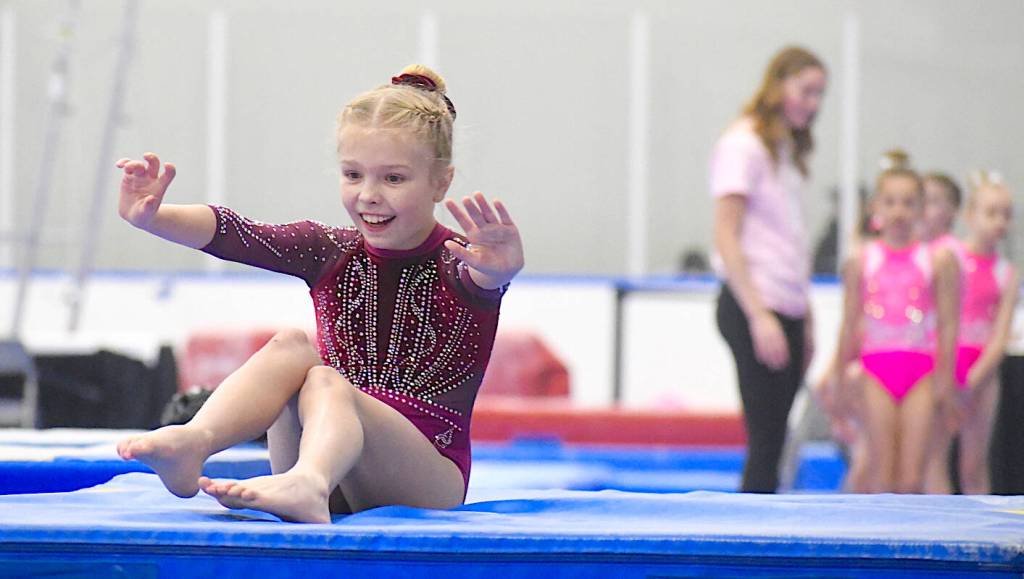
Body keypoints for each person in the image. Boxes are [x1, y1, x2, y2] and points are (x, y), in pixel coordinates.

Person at [113, 65, 525, 523]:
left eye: (393, 179)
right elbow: (237, 233)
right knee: (290, 346)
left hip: (425, 478)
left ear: (440, 182)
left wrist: (500, 270)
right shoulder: (331, 251)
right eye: (353, 175)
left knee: (326, 380)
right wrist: (151, 217)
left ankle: (308, 482)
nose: (368, 195)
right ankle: (197, 439)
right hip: (329, 463)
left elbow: (484, 283)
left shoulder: (458, 262)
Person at [711, 46, 827, 493]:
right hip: (753, 304)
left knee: (777, 441)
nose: (813, 104)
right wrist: (760, 316)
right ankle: (751, 548)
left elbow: (792, 243)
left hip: (787, 303)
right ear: (778, 86)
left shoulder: (785, 150)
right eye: (806, 91)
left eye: (820, 94)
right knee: (766, 440)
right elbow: (726, 235)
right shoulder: (743, 145)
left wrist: (807, 317)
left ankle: (765, 522)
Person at [828, 155, 959, 493]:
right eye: (891, 202)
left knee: (913, 473)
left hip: (921, 371)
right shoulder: (861, 260)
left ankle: (911, 544)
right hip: (876, 370)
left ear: (920, 209)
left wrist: (946, 379)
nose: (899, 211)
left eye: (909, 203)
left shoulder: (936, 259)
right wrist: (840, 375)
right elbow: (849, 322)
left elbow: (947, 323)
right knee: (882, 469)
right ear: (876, 207)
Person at [925, 171, 1018, 494]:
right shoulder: (949, 257)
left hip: (983, 370)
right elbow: (936, 316)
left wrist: (973, 379)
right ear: (969, 216)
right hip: (946, 363)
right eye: (991, 213)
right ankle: (939, 528)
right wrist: (947, 375)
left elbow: (1000, 334)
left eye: (1006, 215)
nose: (999, 222)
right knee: (934, 458)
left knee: (974, 463)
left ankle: (982, 533)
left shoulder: (1007, 272)